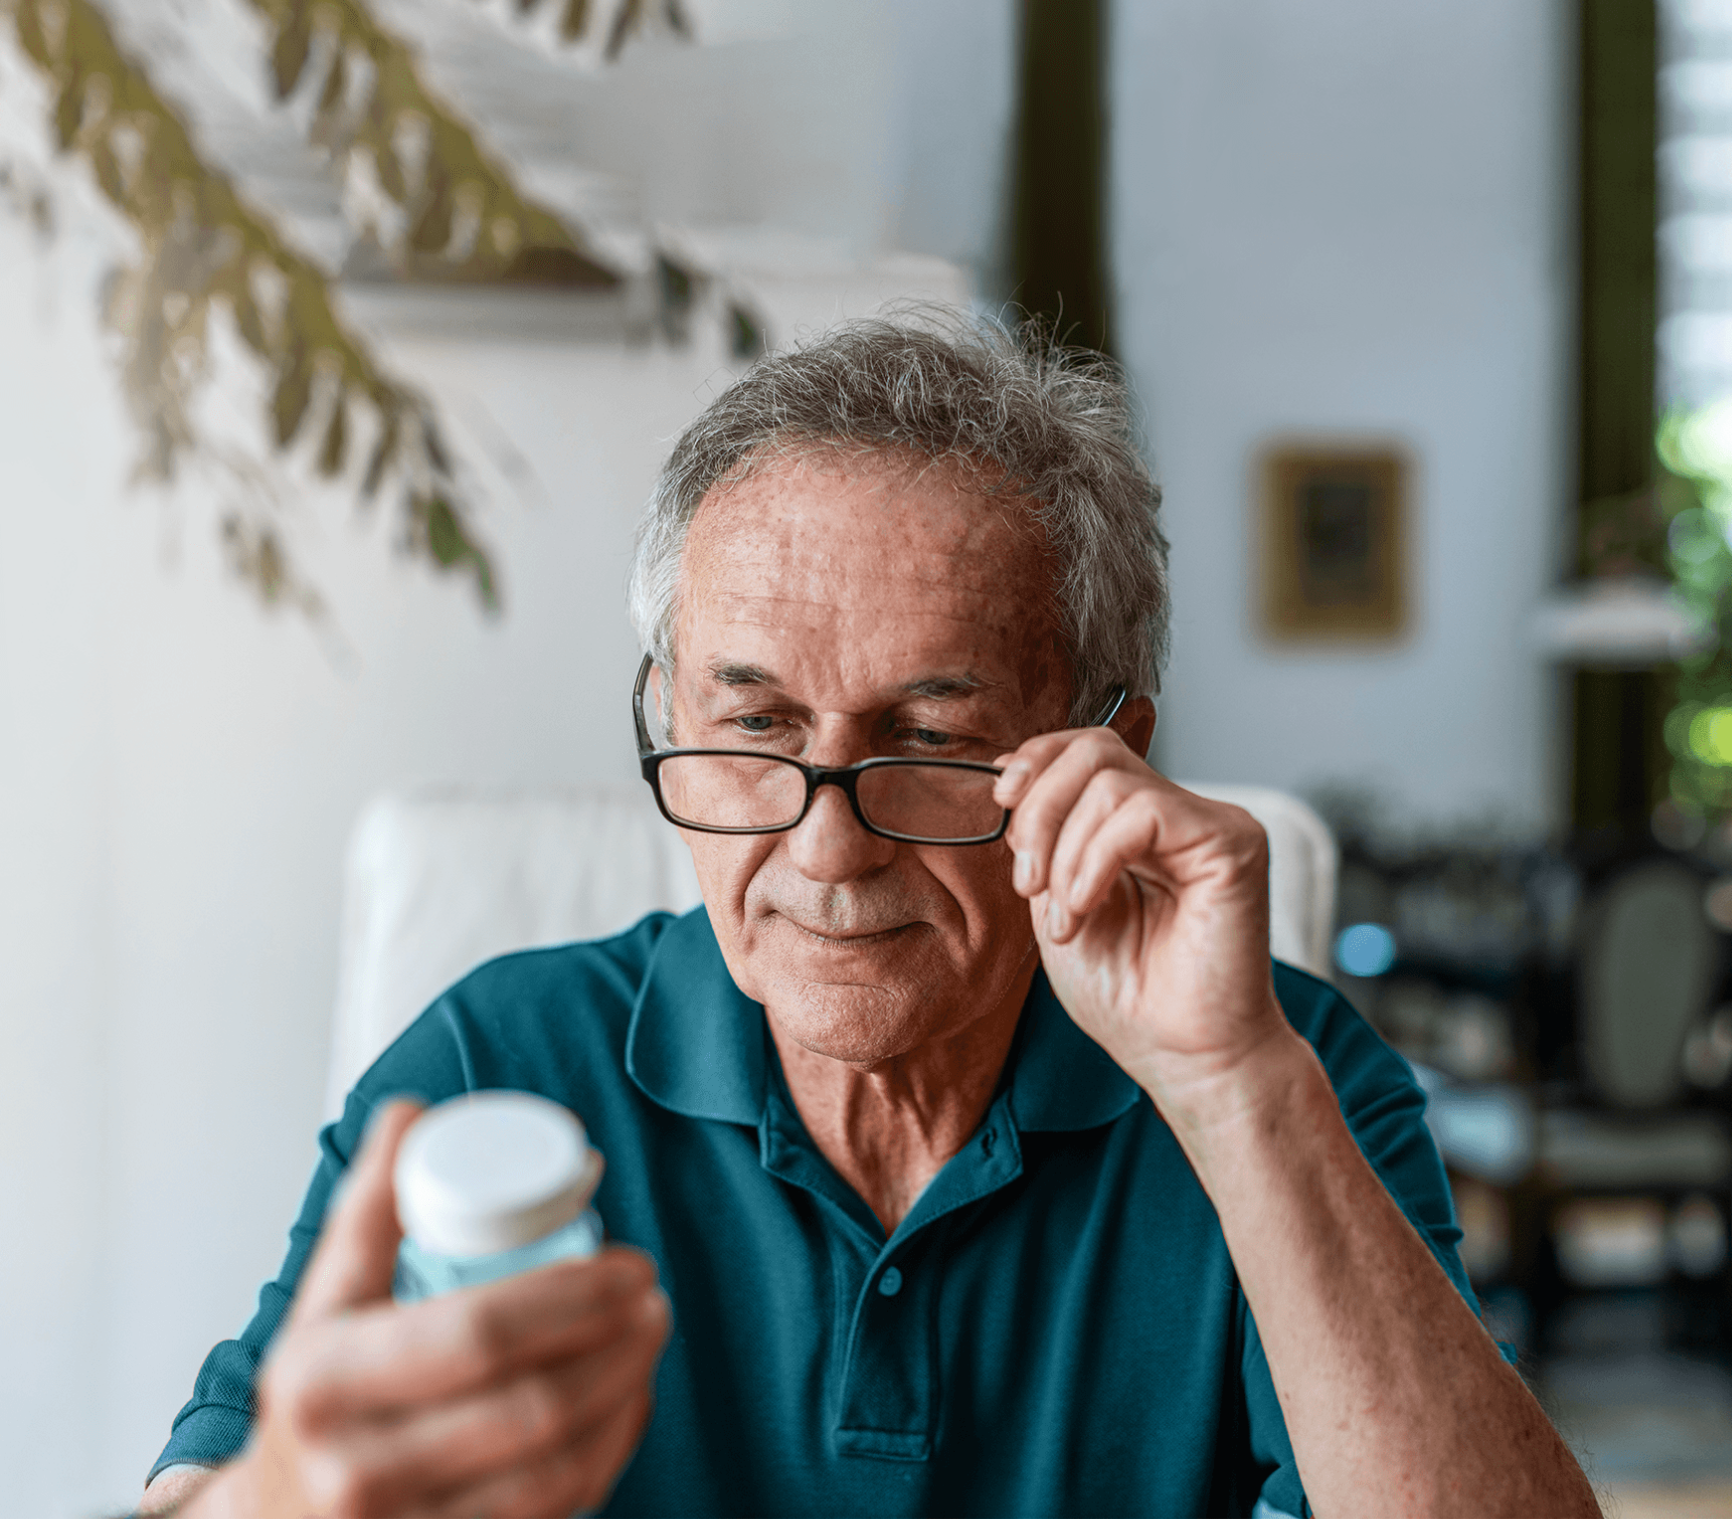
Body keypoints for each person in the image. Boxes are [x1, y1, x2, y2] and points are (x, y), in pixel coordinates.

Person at [142, 315, 1596, 1519]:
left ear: (1109, 754)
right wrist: (276, 1492)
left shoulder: (1293, 1081)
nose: (823, 845)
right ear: (666, 719)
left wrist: (1236, 1090)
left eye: (936, 741)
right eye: (752, 726)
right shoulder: (498, 1061)